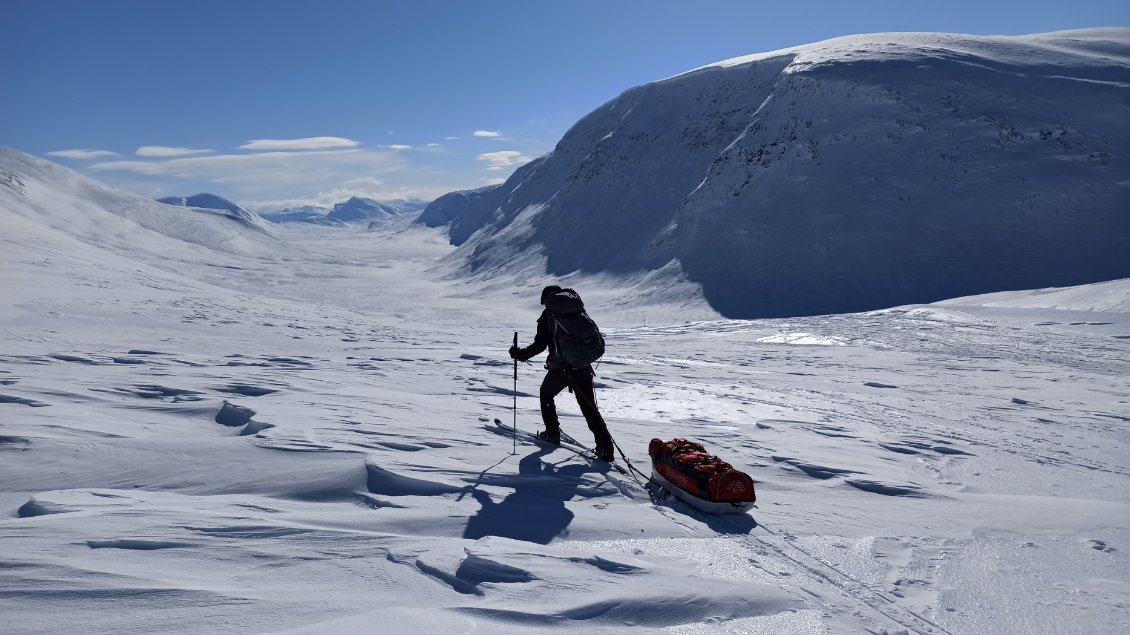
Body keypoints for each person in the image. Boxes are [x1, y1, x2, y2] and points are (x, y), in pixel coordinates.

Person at [509, 285, 615, 462]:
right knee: (590, 408)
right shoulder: (577, 311)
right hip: (582, 365)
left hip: (562, 368)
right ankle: (606, 449)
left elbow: (540, 345)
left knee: (546, 394)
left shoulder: (549, 315)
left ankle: (552, 434)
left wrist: (520, 354)